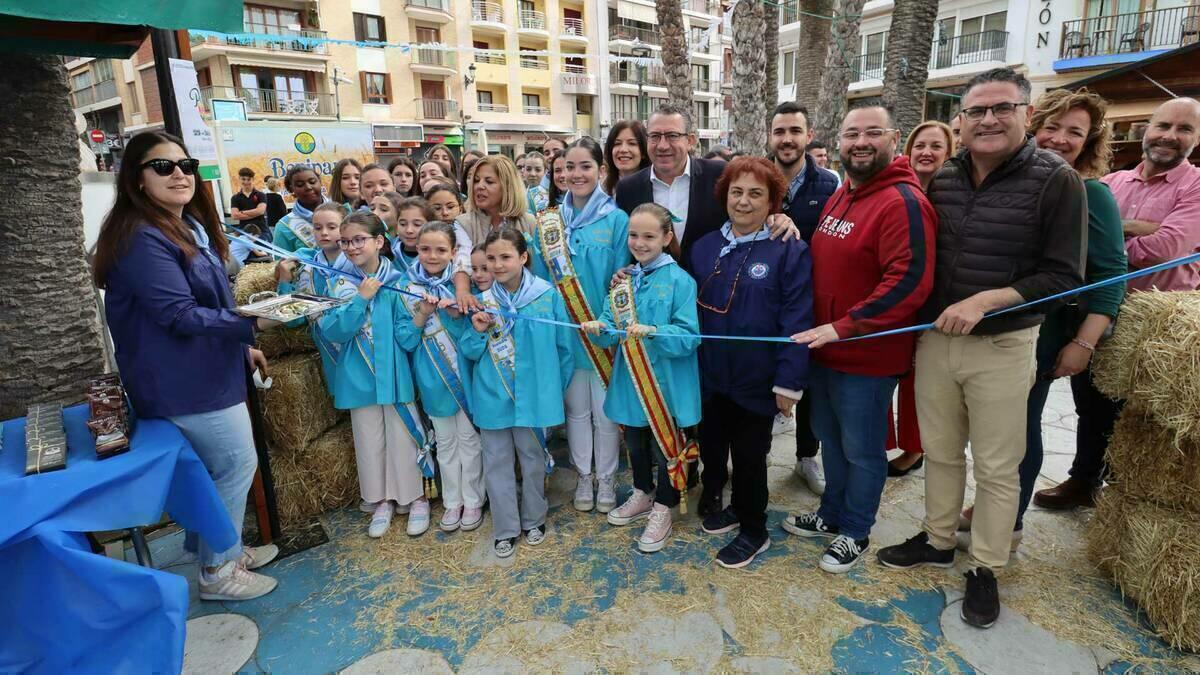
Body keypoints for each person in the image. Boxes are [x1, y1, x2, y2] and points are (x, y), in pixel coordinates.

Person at [876, 68, 1086, 630]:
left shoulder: (1055, 179)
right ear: (961, 121)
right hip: (937, 339)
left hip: (1003, 343)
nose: (989, 120)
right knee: (941, 451)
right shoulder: (942, 176)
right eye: (977, 111)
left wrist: (989, 301)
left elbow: (1066, 275)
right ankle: (940, 540)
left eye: (1002, 108)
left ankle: (986, 566)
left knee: (997, 466)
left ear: (1026, 114)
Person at [91, 130, 282, 601]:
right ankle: (219, 570)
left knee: (218, 468)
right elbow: (177, 313)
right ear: (136, 179)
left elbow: (212, 299)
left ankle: (226, 547)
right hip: (183, 380)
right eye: (163, 166)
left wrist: (242, 346)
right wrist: (252, 323)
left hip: (209, 369)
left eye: (186, 164)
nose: (180, 173)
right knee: (237, 464)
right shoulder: (141, 237)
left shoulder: (185, 224)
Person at [959, 88, 1127, 552]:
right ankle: (993, 508)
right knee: (999, 430)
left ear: (1089, 141)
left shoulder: (1091, 192)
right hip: (999, 329)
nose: (1060, 139)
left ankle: (1007, 524)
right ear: (1033, 124)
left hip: (1045, 332)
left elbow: (1111, 273)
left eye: (1075, 132)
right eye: (1053, 127)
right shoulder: (1019, 183)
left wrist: (1086, 342)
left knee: (1021, 428)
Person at [784, 105, 937, 574]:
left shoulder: (902, 202)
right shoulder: (844, 193)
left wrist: (842, 326)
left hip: (866, 354)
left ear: (894, 138)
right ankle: (832, 512)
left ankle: (856, 529)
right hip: (826, 349)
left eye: (873, 132)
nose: (861, 142)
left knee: (863, 448)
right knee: (830, 437)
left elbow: (910, 281)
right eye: (852, 133)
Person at [1034, 96, 1200, 510]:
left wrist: (1108, 230)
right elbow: (1080, 245)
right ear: (1146, 128)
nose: (1169, 136)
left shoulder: (1196, 186)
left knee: (1146, 419)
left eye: (1184, 129)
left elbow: (1167, 247)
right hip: (1097, 311)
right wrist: (1131, 228)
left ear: (1196, 139)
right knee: (1090, 401)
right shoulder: (1112, 183)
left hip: (1161, 323)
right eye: (1162, 126)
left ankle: (1131, 496)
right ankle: (1084, 480)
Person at [690, 157, 812, 568]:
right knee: (713, 446)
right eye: (736, 192)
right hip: (710, 373)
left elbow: (798, 317)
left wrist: (788, 383)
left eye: (756, 194)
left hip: (756, 379)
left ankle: (754, 529)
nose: (743, 201)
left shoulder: (788, 249)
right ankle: (737, 508)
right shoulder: (704, 247)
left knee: (749, 456)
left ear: (773, 201)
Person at [581, 203, 701, 552]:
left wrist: (655, 331)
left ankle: (664, 505)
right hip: (632, 381)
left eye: (649, 236)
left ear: (667, 237)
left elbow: (690, 336)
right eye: (634, 235)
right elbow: (609, 333)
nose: (640, 242)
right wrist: (597, 328)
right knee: (634, 441)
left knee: (667, 447)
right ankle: (642, 492)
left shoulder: (681, 280)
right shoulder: (623, 282)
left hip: (667, 382)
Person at [528, 138, 631, 514]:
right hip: (566, 334)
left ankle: (606, 478)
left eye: (585, 166)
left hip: (602, 333)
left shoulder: (617, 219)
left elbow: (621, 278)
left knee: (605, 413)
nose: (576, 174)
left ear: (601, 171)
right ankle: (582, 476)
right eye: (569, 167)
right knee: (575, 412)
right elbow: (540, 281)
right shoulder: (549, 223)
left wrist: (606, 323)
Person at [459, 228, 574, 558]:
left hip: (534, 396)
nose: (497, 264)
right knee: (496, 462)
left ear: (523, 257)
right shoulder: (481, 302)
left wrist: (553, 388)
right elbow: (467, 351)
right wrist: (478, 332)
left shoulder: (546, 296)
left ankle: (534, 518)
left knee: (533, 458)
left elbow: (564, 350)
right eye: (491, 258)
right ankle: (505, 528)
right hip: (492, 394)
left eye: (506, 257)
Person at [318, 211, 432, 539]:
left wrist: (422, 315)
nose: (352, 247)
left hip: (395, 376)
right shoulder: (337, 282)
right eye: (346, 242)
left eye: (359, 240)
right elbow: (334, 331)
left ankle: (415, 498)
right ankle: (380, 501)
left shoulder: (400, 283)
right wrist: (360, 299)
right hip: (359, 377)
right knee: (368, 441)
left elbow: (407, 338)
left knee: (403, 438)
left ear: (379, 242)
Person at [615, 104, 799, 274]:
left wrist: (776, 217)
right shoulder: (628, 188)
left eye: (672, 136)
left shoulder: (720, 176)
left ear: (691, 140)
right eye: (655, 136)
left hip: (712, 291)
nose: (663, 145)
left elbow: (748, 208)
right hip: (654, 298)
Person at [768, 102, 841, 495]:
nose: (787, 139)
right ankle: (757, 448)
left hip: (809, 300)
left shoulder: (829, 184)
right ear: (770, 136)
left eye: (795, 131)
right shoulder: (756, 177)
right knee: (763, 372)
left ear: (808, 136)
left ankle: (805, 455)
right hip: (762, 298)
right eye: (780, 131)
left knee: (809, 382)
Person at [403, 221, 485, 533]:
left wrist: (454, 317)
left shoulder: (465, 287)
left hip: (463, 377)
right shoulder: (404, 288)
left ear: (453, 252)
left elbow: (476, 336)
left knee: (469, 440)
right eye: (425, 249)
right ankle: (452, 501)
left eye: (440, 250)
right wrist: (423, 313)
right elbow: (406, 340)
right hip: (432, 379)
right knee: (447, 443)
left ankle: (474, 498)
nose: (432, 256)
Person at [887, 121, 956, 477]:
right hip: (894, 303)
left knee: (918, 384)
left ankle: (914, 448)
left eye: (936, 146)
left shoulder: (954, 194)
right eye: (920, 145)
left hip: (933, 306)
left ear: (949, 153)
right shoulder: (896, 189)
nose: (926, 152)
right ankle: (883, 442)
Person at [456, 155, 536, 247]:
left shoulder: (530, 222)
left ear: (508, 187)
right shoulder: (462, 224)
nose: (479, 186)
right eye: (476, 180)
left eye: (489, 182)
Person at [274, 165, 329, 253]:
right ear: (291, 189)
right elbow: (282, 263)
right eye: (300, 185)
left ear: (320, 182)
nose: (308, 187)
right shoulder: (284, 227)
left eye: (312, 182)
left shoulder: (342, 211)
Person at [603, 120, 650, 197]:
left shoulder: (655, 189)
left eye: (632, 143)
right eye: (617, 143)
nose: (623, 150)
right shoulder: (601, 191)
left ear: (643, 152)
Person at [230, 167, 268, 237]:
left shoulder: (261, 195)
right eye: (243, 179)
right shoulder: (235, 198)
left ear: (253, 179)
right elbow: (234, 216)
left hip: (261, 232)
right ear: (239, 179)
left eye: (248, 179)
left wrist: (242, 212)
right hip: (244, 233)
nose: (246, 182)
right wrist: (255, 213)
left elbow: (261, 211)